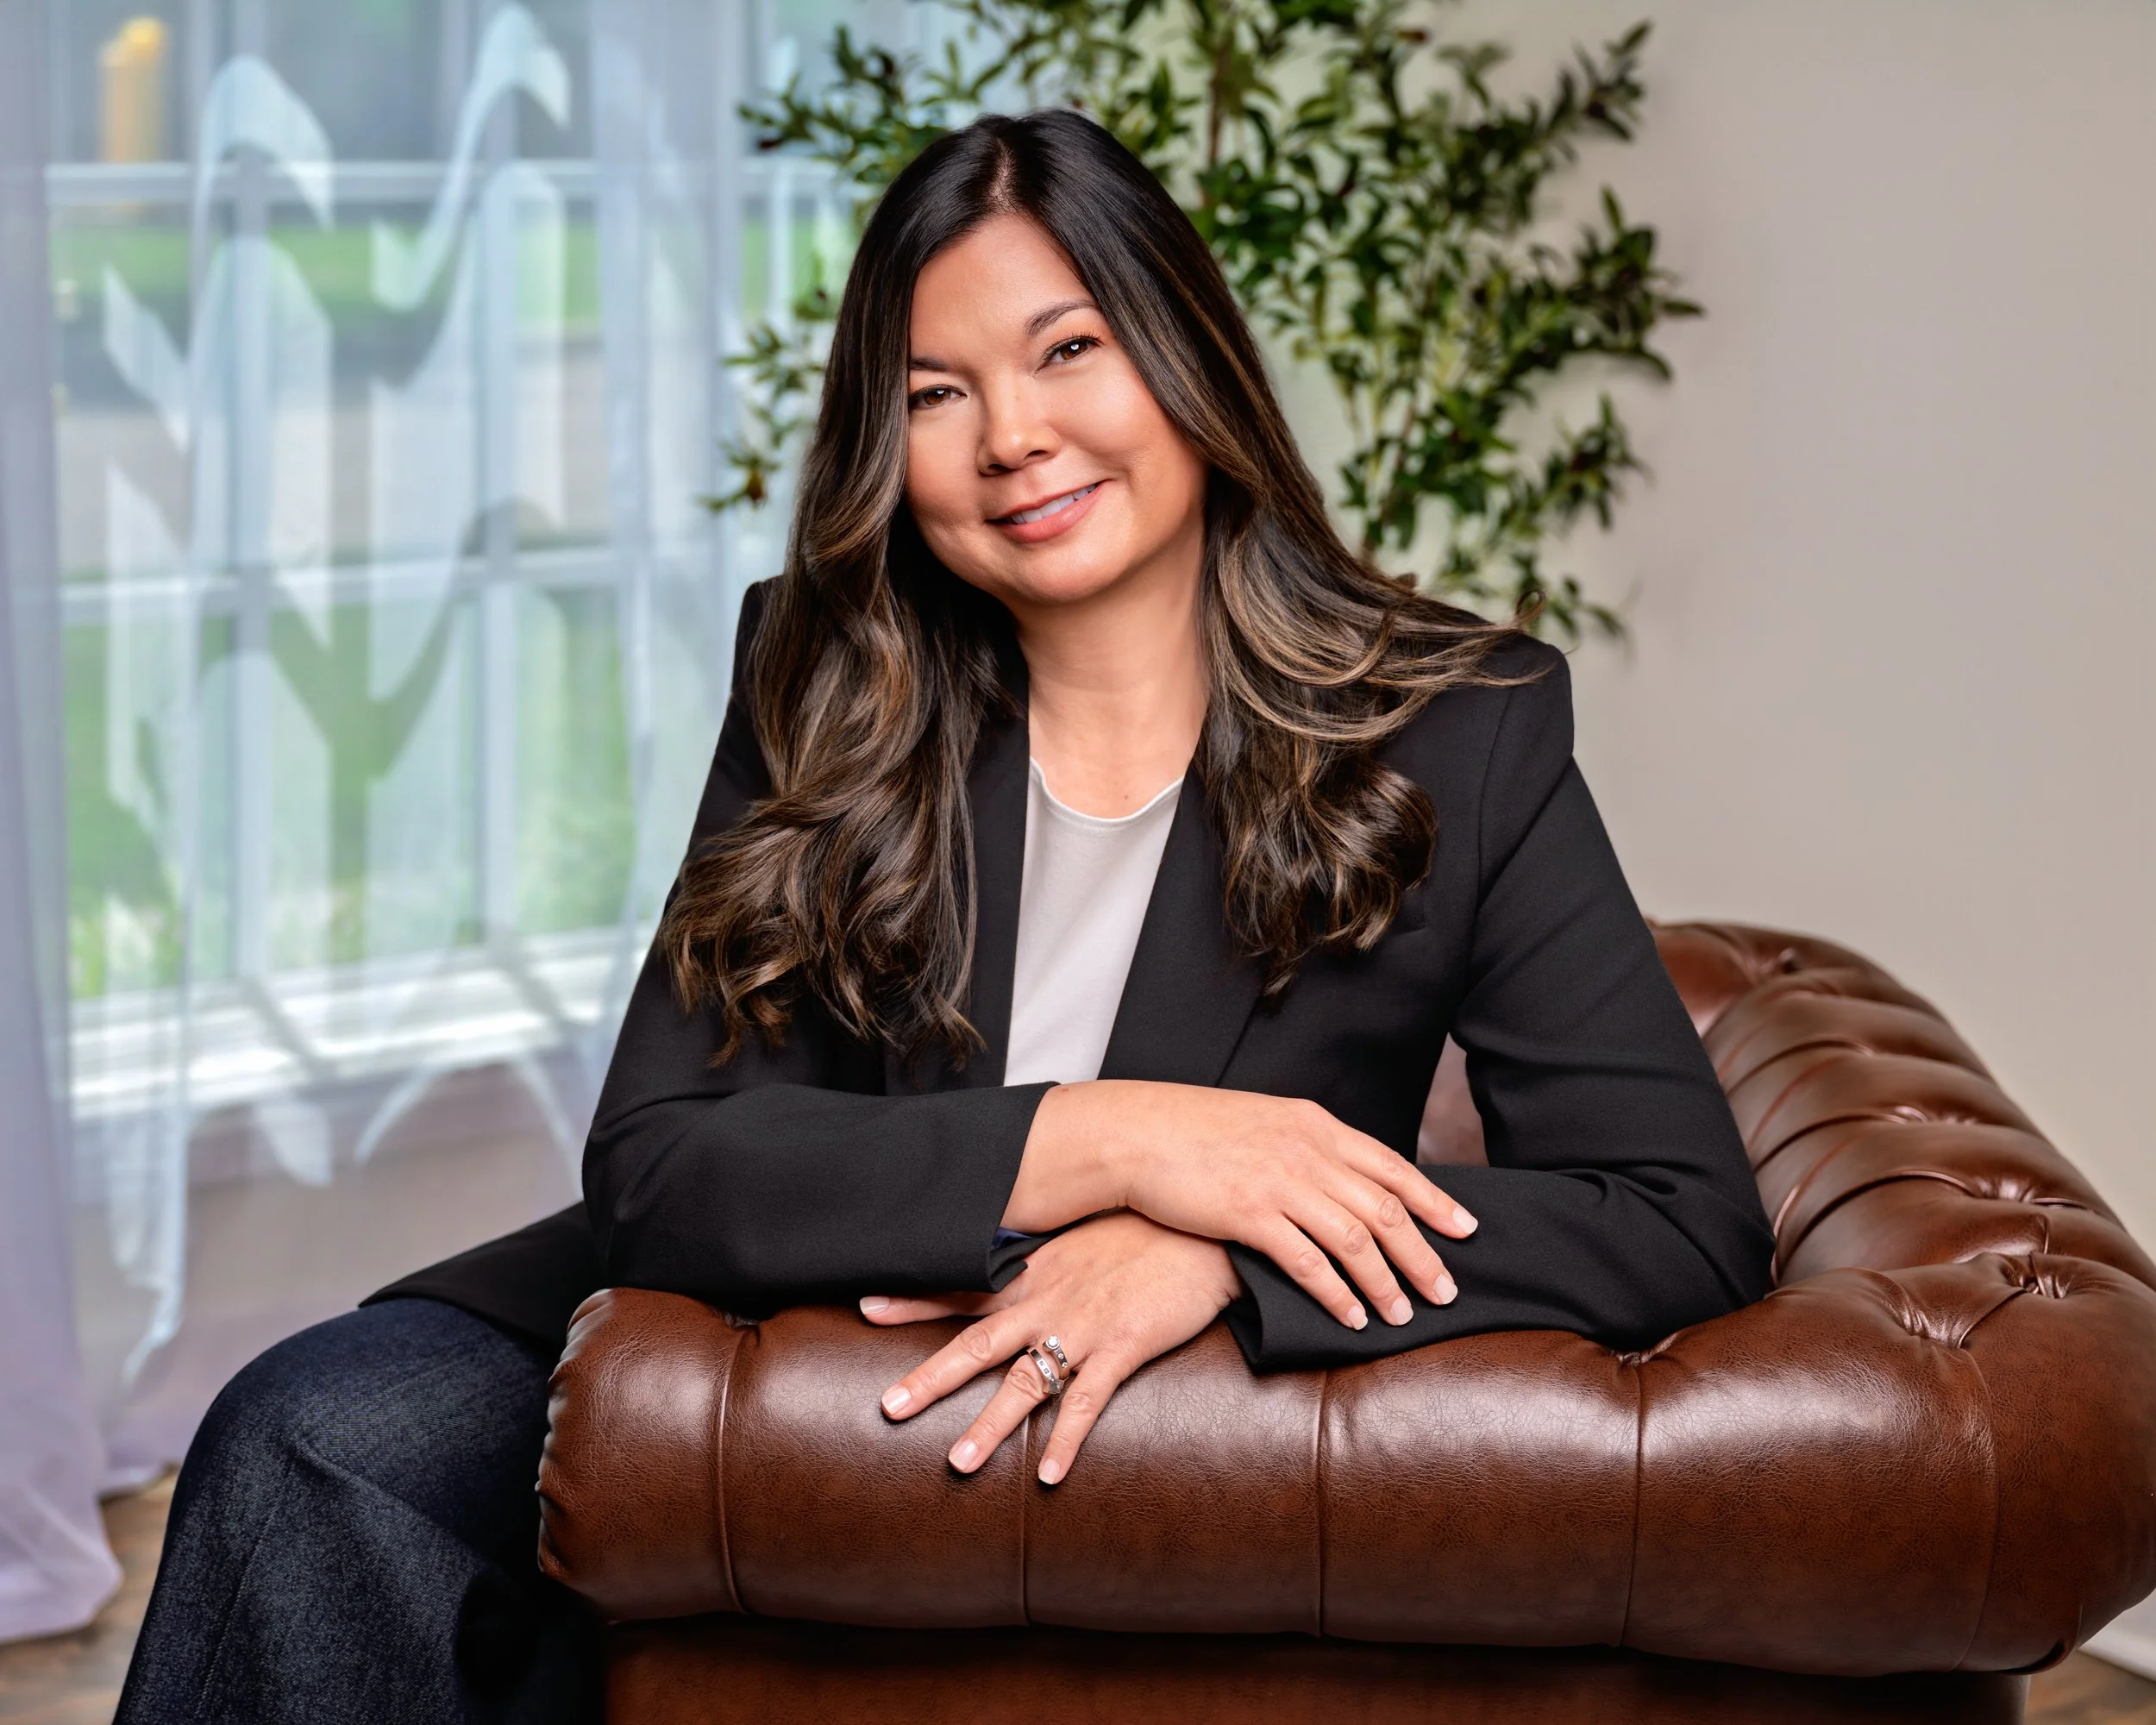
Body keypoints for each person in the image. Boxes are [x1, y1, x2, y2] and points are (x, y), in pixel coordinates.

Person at [117, 110, 1774, 1724]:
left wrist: (1222, 1243)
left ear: (1187, 355)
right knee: (307, 1441)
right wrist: (1117, 1142)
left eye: (1069, 351)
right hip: (747, 1318)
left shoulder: (1457, 726)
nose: (1012, 438)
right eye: (935, 393)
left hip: (1079, 1405)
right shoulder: (823, 672)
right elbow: (663, 1164)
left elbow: (1677, 1215)